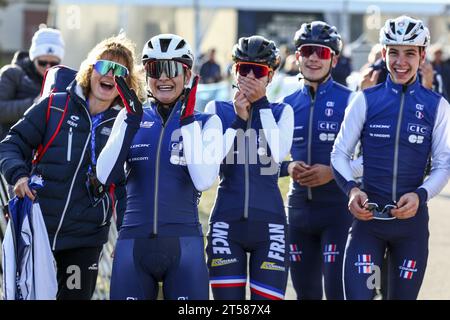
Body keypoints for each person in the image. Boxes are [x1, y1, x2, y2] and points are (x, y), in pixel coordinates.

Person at [0, 34, 142, 299]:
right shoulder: (55, 104)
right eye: (104, 66)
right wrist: (18, 176)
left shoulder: (124, 125)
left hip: (85, 239)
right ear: (90, 70)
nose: (110, 75)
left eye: (120, 71)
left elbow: (125, 188)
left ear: (128, 82)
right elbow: (11, 143)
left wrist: (125, 233)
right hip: (38, 230)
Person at [331, 15, 450, 300]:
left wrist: (420, 195)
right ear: (383, 53)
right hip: (368, 224)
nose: (400, 61)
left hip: (411, 228)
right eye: (393, 52)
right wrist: (352, 190)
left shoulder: (437, 106)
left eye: (410, 53)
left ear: (422, 56)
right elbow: (339, 154)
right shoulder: (365, 100)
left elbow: (443, 164)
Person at [97, 33, 223, 300]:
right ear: (146, 75)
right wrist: (131, 122)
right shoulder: (128, 116)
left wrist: (187, 122)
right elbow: (104, 175)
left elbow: (203, 181)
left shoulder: (207, 122)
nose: (163, 77)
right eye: (155, 69)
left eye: (172, 68)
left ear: (187, 75)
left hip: (184, 246)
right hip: (134, 244)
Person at [204, 35, 294, 300]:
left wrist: (262, 104)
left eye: (259, 71)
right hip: (226, 222)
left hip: (270, 225)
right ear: (234, 70)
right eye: (245, 69)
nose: (251, 77)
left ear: (271, 75)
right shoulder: (216, 109)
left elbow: (277, 153)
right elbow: (211, 163)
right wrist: (238, 121)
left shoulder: (281, 111)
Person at [279, 21, 360, 300]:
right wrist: (287, 166)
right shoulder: (285, 104)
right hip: (298, 211)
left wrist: (333, 172)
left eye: (322, 53)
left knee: (337, 293)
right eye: (307, 51)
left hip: (338, 212)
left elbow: (371, 159)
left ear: (334, 59)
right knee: (306, 295)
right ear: (297, 56)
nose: (314, 58)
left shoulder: (352, 101)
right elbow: (263, 160)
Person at [0, 26, 65, 140]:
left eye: (54, 63)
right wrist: (36, 103)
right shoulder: (12, 73)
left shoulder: (60, 80)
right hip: (10, 145)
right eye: (42, 62)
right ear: (33, 57)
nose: (48, 67)